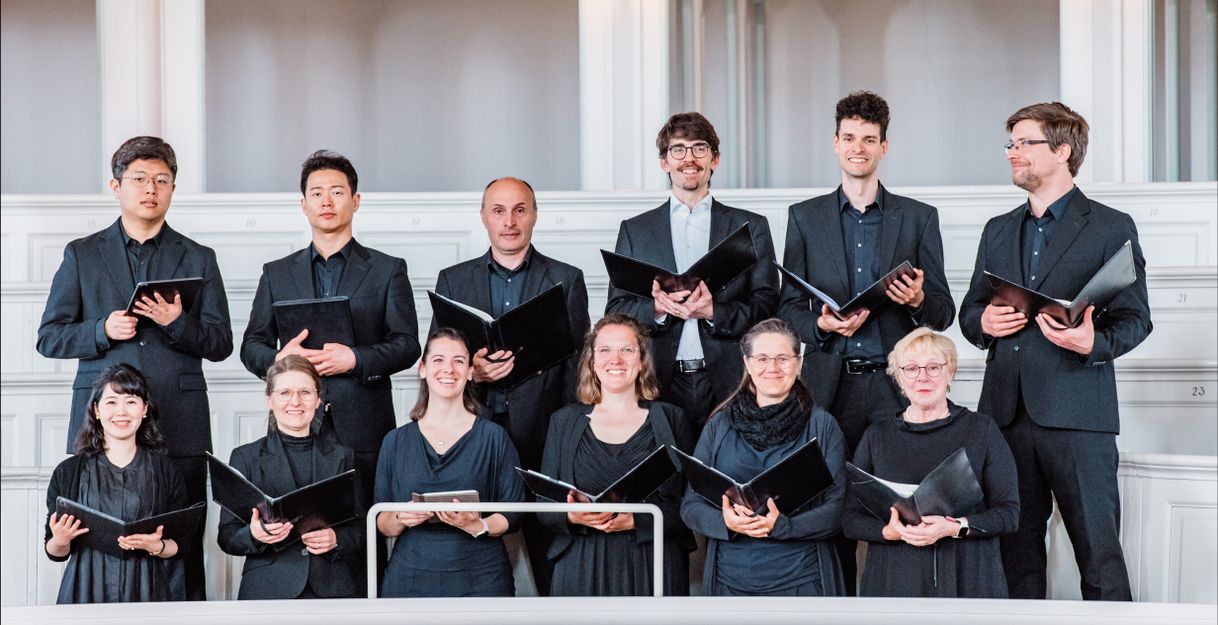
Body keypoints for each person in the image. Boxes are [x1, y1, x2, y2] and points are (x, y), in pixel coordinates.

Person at [959, 102, 1152, 600]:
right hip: (1004, 416)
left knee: (1099, 556)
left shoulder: (1111, 226)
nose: (1012, 153)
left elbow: (1136, 319)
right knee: (1014, 559)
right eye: (1011, 144)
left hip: (1079, 416)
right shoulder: (997, 229)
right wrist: (983, 321)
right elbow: (969, 314)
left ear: (1062, 151)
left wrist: (1094, 343)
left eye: (1024, 143)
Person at [37, 136, 232, 600]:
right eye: (140, 179)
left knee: (180, 545)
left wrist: (177, 323)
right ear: (116, 185)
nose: (151, 189)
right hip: (104, 428)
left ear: (172, 189)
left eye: (162, 180)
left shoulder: (198, 257)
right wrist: (102, 329)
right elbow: (49, 337)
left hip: (181, 427)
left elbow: (221, 343)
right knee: (99, 545)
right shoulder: (82, 253)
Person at [776, 92, 954, 592]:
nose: (859, 148)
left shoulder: (918, 217)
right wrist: (821, 326)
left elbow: (942, 312)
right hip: (829, 387)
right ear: (835, 144)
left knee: (900, 506)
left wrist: (918, 298)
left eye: (869, 140)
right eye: (849, 138)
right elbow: (788, 310)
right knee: (828, 505)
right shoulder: (804, 217)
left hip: (898, 390)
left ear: (884, 147)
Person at [433, 176, 591, 594]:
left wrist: (569, 435)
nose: (510, 221)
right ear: (484, 217)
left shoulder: (566, 278)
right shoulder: (452, 279)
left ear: (534, 215)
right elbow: (437, 363)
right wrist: (473, 372)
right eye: (498, 211)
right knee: (470, 540)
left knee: (549, 546)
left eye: (520, 210)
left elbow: (578, 367)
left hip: (544, 432)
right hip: (472, 432)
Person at [241, 149, 421, 501]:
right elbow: (251, 345)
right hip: (293, 426)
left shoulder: (388, 269)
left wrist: (355, 359)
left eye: (337, 192)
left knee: (365, 533)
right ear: (303, 204)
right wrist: (280, 358)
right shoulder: (276, 273)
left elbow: (407, 344)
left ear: (355, 201)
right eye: (317, 193)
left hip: (365, 426)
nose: (327, 201)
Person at [606, 112, 778, 431]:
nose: (689, 159)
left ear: (715, 160)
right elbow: (615, 312)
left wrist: (714, 311)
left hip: (732, 381)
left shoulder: (751, 227)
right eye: (678, 149)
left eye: (700, 148)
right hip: (657, 381)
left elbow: (769, 310)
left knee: (729, 477)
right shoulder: (636, 231)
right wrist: (656, 308)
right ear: (664, 162)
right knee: (667, 477)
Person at [843, 328, 1019, 597]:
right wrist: (888, 531)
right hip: (895, 577)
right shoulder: (876, 435)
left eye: (933, 367)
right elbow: (850, 519)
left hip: (968, 576)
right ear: (899, 378)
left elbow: (1009, 514)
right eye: (911, 368)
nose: (922, 376)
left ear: (950, 373)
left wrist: (956, 526)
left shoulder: (981, 429)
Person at [680, 318, 848, 596]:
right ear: (747, 363)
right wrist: (726, 522)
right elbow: (691, 505)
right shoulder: (719, 424)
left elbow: (839, 508)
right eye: (762, 358)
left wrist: (786, 526)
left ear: (798, 363)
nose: (772, 367)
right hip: (729, 580)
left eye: (783, 358)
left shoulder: (822, 425)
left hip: (803, 580)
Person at [538, 314, 696, 596]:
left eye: (627, 350)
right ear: (592, 361)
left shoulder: (673, 419)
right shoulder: (562, 422)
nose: (616, 359)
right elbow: (544, 506)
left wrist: (638, 519)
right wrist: (574, 517)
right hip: (580, 564)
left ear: (642, 359)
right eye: (605, 350)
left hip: (652, 563)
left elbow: (691, 506)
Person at [374, 328, 526, 597]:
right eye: (438, 360)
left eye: (458, 361)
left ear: (470, 371)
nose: (449, 369)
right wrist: (402, 516)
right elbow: (382, 521)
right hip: (409, 579)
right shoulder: (394, 441)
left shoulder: (494, 437)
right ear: (422, 369)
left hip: (482, 579)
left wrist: (477, 525)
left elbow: (513, 514)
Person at [217, 355, 365, 599]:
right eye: (284, 393)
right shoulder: (246, 457)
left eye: (305, 392)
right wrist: (254, 535)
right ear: (269, 399)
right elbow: (227, 536)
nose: (295, 401)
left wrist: (336, 538)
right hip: (267, 588)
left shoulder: (343, 456)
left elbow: (361, 527)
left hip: (333, 588)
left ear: (318, 399)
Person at [44, 363, 189, 603]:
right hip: (84, 589)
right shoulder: (68, 471)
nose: (121, 411)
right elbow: (55, 551)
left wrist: (158, 546)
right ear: (97, 410)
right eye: (111, 402)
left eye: (131, 401)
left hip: (147, 590)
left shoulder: (166, 471)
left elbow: (182, 545)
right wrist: (60, 539)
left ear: (144, 409)